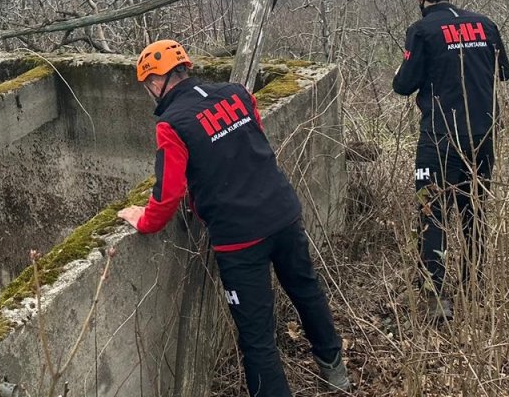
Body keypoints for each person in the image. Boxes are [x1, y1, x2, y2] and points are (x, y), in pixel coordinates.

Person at [117, 40, 351, 396]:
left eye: (148, 84)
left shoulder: (171, 125)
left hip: (240, 239)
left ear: (156, 82)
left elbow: (167, 196)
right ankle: (335, 370)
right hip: (283, 213)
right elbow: (249, 141)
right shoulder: (237, 93)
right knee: (306, 290)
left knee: (257, 337)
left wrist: (143, 219)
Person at [392, 0, 509, 322]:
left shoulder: (422, 31)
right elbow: (504, 71)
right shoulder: (485, 24)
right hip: (484, 134)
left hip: (440, 138)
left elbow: (403, 85)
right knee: (474, 211)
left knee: (432, 213)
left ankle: (436, 297)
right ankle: (475, 287)